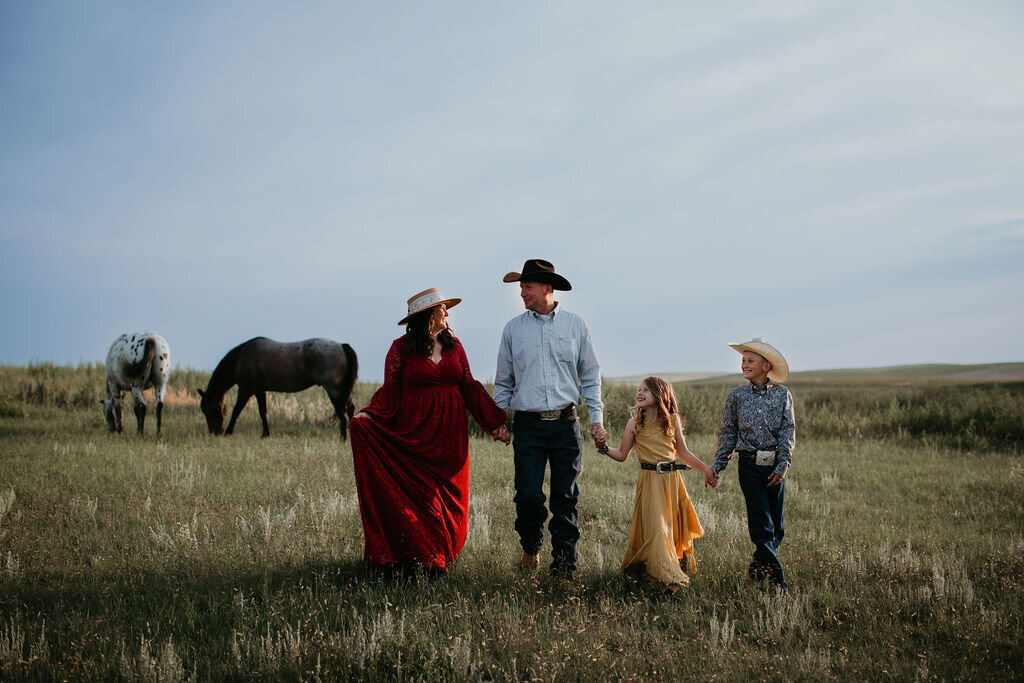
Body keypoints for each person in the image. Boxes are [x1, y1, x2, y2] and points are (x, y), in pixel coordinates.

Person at [350, 288, 510, 575]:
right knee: (420, 499)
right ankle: (424, 560)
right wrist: (368, 416)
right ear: (428, 316)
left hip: (450, 438)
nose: (447, 313)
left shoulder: (455, 346)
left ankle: (439, 553)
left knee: (448, 502)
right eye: (442, 309)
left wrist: (493, 423)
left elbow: (469, 386)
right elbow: (390, 391)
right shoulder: (401, 349)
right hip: (414, 434)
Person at [494, 259, 606, 576]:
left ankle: (564, 567)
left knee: (565, 498)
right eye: (521, 288)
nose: (522, 294)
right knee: (528, 495)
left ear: (547, 288)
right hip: (527, 425)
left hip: (566, 424)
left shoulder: (576, 325)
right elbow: (504, 382)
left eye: (527, 287)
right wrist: (496, 419)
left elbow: (591, 375)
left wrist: (596, 417)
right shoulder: (513, 330)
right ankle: (531, 547)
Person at [599, 377, 717, 591]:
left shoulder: (672, 420)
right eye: (639, 389)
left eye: (646, 390)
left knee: (671, 528)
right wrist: (604, 447)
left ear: (659, 394)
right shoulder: (634, 424)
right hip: (650, 482)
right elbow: (622, 454)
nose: (640, 393)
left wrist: (706, 469)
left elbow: (683, 452)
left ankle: (665, 569)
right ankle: (665, 579)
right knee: (658, 529)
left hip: (672, 482)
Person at [712, 338, 795, 593]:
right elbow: (728, 433)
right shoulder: (736, 396)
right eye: (743, 361)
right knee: (762, 525)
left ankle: (756, 571)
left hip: (774, 466)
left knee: (777, 528)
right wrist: (719, 463)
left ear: (766, 366)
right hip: (748, 466)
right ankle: (777, 582)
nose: (744, 364)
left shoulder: (782, 395)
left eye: (750, 361)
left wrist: (783, 465)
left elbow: (787, 431)